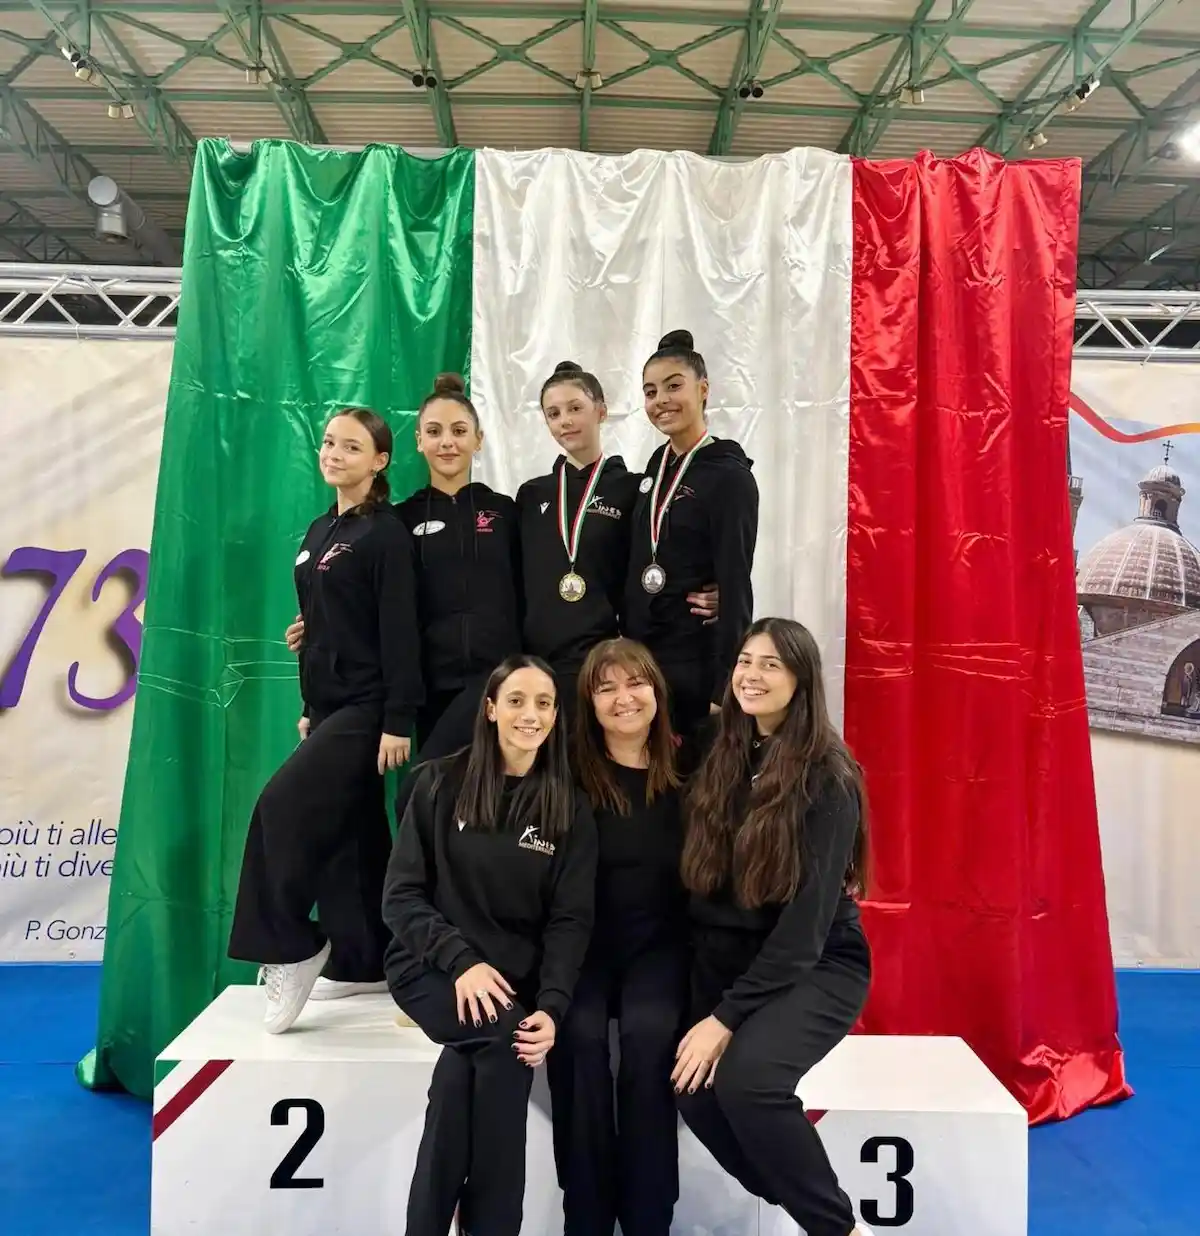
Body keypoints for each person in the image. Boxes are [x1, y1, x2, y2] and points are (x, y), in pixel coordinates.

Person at [383, 655, 598, 1236]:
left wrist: (551, 1007)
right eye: (517, 700)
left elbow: (570, 921)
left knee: (463, 1075)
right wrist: (461, 962)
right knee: (507, 1045)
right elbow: (400, 898)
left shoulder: (568, 806)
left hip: (509, 983)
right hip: (430, 968)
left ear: (557, 716)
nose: (531, 715)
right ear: (490, 709)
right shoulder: (438, 783)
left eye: (544, 703)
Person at [672, 618, 874, 1236]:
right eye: (744, 661)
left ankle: (838, 1228)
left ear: (801, 680)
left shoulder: (828, 776)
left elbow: (804, 931)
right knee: (691, 1086)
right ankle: (787, 1191)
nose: (751, 675)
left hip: (815, 962)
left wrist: (723, 1019)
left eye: (771, 665)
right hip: (731, 956)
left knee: (749, 1082)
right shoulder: (719, 749)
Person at [228, 407, 423, 1033]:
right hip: (330, 704)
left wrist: (398, 719)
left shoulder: (386, 534)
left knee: (279, 807)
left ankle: (291, 945)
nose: (335, 453)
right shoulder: (320, 529)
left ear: (380, 461)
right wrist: (310, 705)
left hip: (369, 707)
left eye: (352, 446)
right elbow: (326, 620)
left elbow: (400, 629)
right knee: (352, 832)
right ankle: (365, 957)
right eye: (330, 443)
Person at [546, 638, 691, 1236]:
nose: (623, 698)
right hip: (581, 949)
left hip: (659, 946)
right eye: (606, 688)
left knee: (648, 1038)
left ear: (657, 691)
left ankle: (648, 1217)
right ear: (589, 703)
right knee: (578, 1041)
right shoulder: (565, 775)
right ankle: (585, 1214)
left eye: (635, 683)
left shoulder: (691, 769)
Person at [516, 359, 718, 729]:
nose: (565, 421)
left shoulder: (633, 489)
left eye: (575, 408)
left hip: (606, 664)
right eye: (554, 413)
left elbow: (663, 556)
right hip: (542, 665)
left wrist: (716, 591)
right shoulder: (531, 495)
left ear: (601, 411)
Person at [624, 330, 759, 737]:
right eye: (650, 392)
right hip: (644, 661)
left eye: (673, 386)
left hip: (695, 664)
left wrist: (725, 687)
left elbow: (736, 585)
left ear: (703, 390)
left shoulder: (730, 477)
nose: (660, 400)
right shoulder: (655, 468)